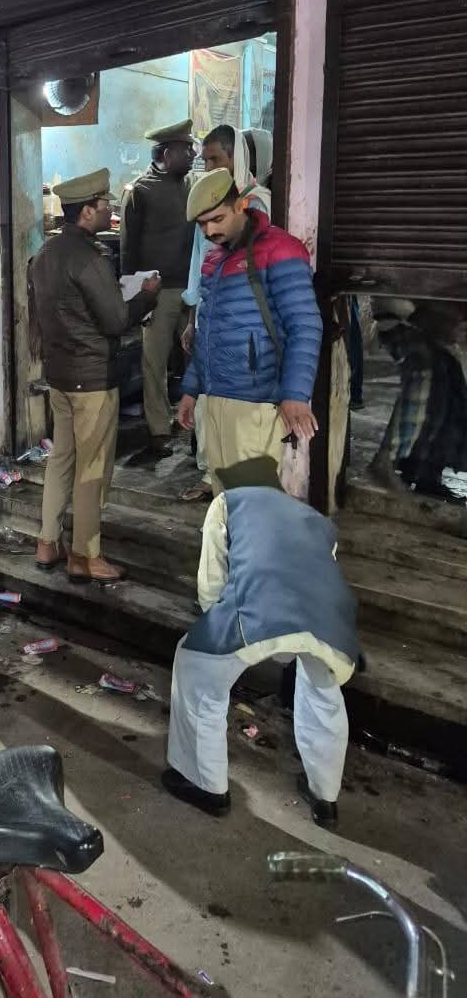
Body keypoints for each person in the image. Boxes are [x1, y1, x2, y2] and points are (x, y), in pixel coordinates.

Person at [163, 457, 358, 828]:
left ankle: (206, 785)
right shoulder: (315, 518)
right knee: (323, 694)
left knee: (196, 666)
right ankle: (324, 798)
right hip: (330, 622)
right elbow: (317, 573)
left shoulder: (227, 503)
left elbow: (210, 586)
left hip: (259, 610)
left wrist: (216, 629)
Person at [30, 168, 162, 584]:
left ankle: (47, 542)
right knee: (92, 468)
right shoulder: (90, 259)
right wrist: (146, 297)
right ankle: (85, 555)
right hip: (91, 379)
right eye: (104, 205)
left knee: (61, 459)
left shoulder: (45, 254)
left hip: (60, 376)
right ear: (86, 212)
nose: (110, 211)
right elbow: (116, 320)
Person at [176, 168, 322, 493]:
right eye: (202, 224)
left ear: (241, 205)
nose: (210, 231)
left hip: (256, 404)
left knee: (254, 504)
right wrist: (191, 390)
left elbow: (304, 324)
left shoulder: (280, 250)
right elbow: (207, 332)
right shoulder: (214, 260)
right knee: (225, 501)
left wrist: (295, 394)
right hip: (215, 398)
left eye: (217, 219)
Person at [179, 127, 272, 502]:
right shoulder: (206, 202)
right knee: (208, 406)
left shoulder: (257, 206)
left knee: (244, 419)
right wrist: (192, 318)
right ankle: (212, 477)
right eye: (205, 161)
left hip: (245, 327)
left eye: (216, 159)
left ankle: (243, 491)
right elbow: (197, 264)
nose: (209, 167)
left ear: (238, 157)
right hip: (210, 318)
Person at [120, 120, 196, 460]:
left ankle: (198, 429)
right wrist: (138, 298)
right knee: (155, 364)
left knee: (198, 358)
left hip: (192, 290)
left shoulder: (193, 186)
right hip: (159, 293)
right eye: (186, 149)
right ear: (166, 153)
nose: (192, 154)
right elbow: (128, 251)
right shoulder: (140, 191)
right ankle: (159, 430)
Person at [367, 299, 467, 500]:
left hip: (420, 316)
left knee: (450, 379)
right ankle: (387, 459)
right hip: (396, 312)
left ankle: (425, 472)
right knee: (426, 369)